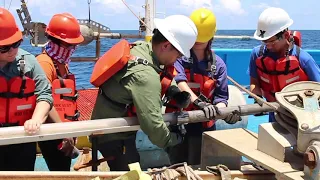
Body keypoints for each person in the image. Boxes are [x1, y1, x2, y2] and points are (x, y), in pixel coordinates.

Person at [89, 15, 198, 171]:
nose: (177, 59)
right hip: (112, 136)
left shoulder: (142, 48)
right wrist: (176, 138)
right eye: (179, 54)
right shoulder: (145, 76)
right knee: (132, 172)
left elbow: (161, 71)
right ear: (166, 46)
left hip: (108, 126)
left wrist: (174, 91)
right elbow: (154, 129)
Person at [165, 8, 242, 165]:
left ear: (211, 36)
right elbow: (180, 82)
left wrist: (223, 112)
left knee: (200, 166)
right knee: (178, 165)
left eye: (203, 37)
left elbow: (221, 97)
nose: (199, 41)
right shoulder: (178, 57)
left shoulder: (218, 65)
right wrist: (199, 102)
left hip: (204, 127)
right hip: (178, 122)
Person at [0, 7, 53, 171]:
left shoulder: (28, 61)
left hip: (22, 139)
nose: (12, 51)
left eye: (15, 44)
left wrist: (36, 120)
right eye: (4, 47)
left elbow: (45, 94)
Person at [248, 7, 320, 122]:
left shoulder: (304, 59)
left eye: (271, 41)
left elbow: (317, 88)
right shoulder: (257, 54)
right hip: (274, 113)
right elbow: (254, 82)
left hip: (301, 117)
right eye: (264, 41)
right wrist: (258, 99)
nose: (268, 45)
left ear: (286, 36)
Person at [36, 13, 84, 171]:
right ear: (57, 42)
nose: (73, 49)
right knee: (59, 170)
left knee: (64, 167)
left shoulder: (61, 62)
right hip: (53, 132)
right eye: (70, 45)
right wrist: (63, 132)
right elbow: (44, 100)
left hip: (64, 130)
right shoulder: (44, 63)